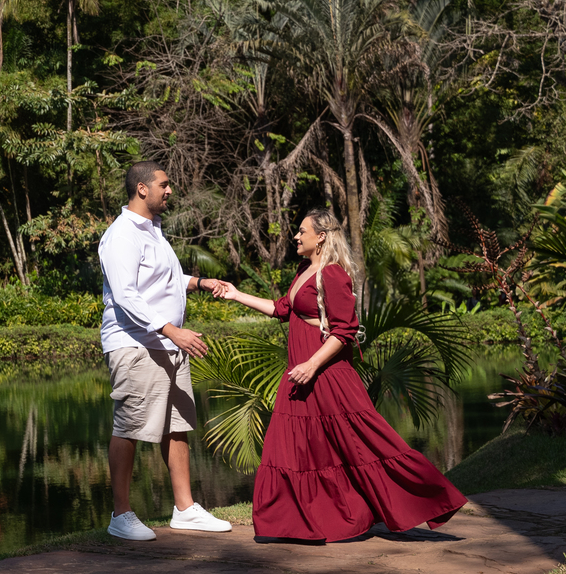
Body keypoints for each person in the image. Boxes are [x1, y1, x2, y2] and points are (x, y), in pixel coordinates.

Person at [219, 209, 467, 542]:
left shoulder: (333, 274)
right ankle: (306, 522)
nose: (296, 236)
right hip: (301, 377)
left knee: (364, 444)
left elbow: (345, 330)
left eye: (302, 230)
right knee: (297, 451)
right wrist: (236, 295)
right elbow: (282, 309)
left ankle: (429, 497)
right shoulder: (305, 270)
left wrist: (312, 364)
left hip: (327, 375)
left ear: (320, 236)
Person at [98, 160, 233, 540]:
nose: (169, 190)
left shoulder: (154, 231)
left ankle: (185, 509)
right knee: (129, 426)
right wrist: (171, 330)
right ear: (142, 188)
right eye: (164, 184)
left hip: (166, 343)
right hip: (137, 344)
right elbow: (126, 295)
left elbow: (167, 279)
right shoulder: (122, 234)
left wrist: (201, 282)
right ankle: (120, 514)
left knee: (176, 426)